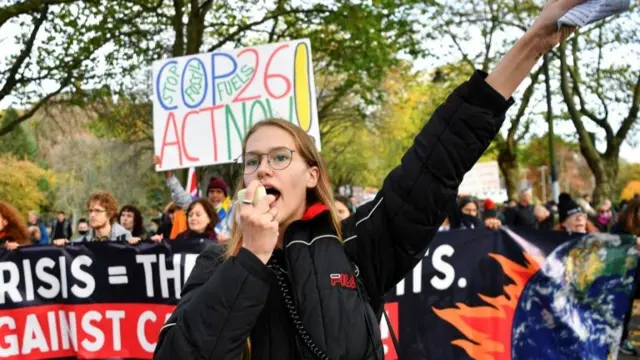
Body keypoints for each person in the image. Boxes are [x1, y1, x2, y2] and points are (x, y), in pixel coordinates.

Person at [154, 3, 583, 358]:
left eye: (280, 156)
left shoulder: (354, 244)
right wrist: (250, 259)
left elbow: (432, 167)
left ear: (311, 175)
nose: (263, 168)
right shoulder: (215, 265)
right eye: (251, 161)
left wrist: (534, 42)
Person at [612, 198, 640, 356]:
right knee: (625, 307)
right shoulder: (620, 227)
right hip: (625, 274)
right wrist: (632, 243)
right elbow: (613, 244)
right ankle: (621, 339)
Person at [54, 192, 132, 245]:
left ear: (110, 214)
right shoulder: (82, 241)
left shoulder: (125, 238)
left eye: (98, 211)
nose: (92, 215)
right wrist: (65, 248)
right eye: (90, 211)